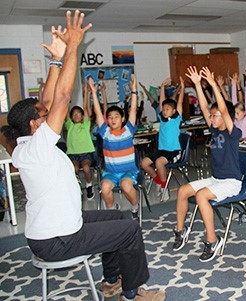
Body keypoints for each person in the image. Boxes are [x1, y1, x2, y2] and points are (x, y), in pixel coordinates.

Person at [0, 11, 164, 301]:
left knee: (118, 215)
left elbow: (48, 101)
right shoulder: (37, 147)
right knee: (129, 230)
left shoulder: (28, 142)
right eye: (43, 115)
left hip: (57, 229)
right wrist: (74, 46)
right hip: (59, 239)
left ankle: (111, 281)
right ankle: (132, 293)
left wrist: (54, 63)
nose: (49, 113)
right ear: (35, 124)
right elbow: (61, 99)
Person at [174, 66, 242, 262]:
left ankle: (212, 240)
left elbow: (222, 110)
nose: (211, 118)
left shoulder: (232, 133)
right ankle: (180, 230)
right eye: (211, 117)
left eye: (215, 116)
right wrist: (196, 85)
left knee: (202, 195)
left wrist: (213, 84)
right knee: (183, 190)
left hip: (231, 182)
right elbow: (205, 108)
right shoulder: (214, 131)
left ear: (224, 116)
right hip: (216, 179)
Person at [90, 73, 140, 220]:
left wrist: (134, 91)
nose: (113, 119)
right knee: (105, 188)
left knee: (126, 186)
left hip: (128, 172)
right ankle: (112, 211)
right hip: (110, 173)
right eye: (110, 117)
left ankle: (134, 207)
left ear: (122, 119)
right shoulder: (105, 132)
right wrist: (94, 92)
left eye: (116, 116)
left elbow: (133, 110)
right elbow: (98, 113)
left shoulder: (128, 130)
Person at [141, 76, 184, 201]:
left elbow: (180, 103)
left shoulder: (176, 120)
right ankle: (159, 182)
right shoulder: (162, 119)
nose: (164, 111)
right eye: (163, 110)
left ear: (174, 111)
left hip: (173, 151)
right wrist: (163, 86)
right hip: (162, 150)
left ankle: (165, 189)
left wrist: (182, 86)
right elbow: (161, 103)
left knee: (159, 162)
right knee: (144, 163)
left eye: (167, 109)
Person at [64, 82, 97, 200]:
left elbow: (86, 107)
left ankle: (89, 185)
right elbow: (65, 111)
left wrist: (86, 94)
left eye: (79, 113)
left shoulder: (86, 124)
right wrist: (66, 99)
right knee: (74, 169)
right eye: (74, 114)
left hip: (86, 153)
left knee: (87, 168)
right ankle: (76, 186)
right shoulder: (69, 125)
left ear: (83, 116)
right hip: (73, 154)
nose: (76, 115)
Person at [232, 69, 246, 139]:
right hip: (236, 145)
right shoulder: (235, 121)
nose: (235, 115)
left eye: (237, 113)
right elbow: (234, 101)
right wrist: (233, 84)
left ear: (244, 112)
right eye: (235, 113)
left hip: (245, 145)